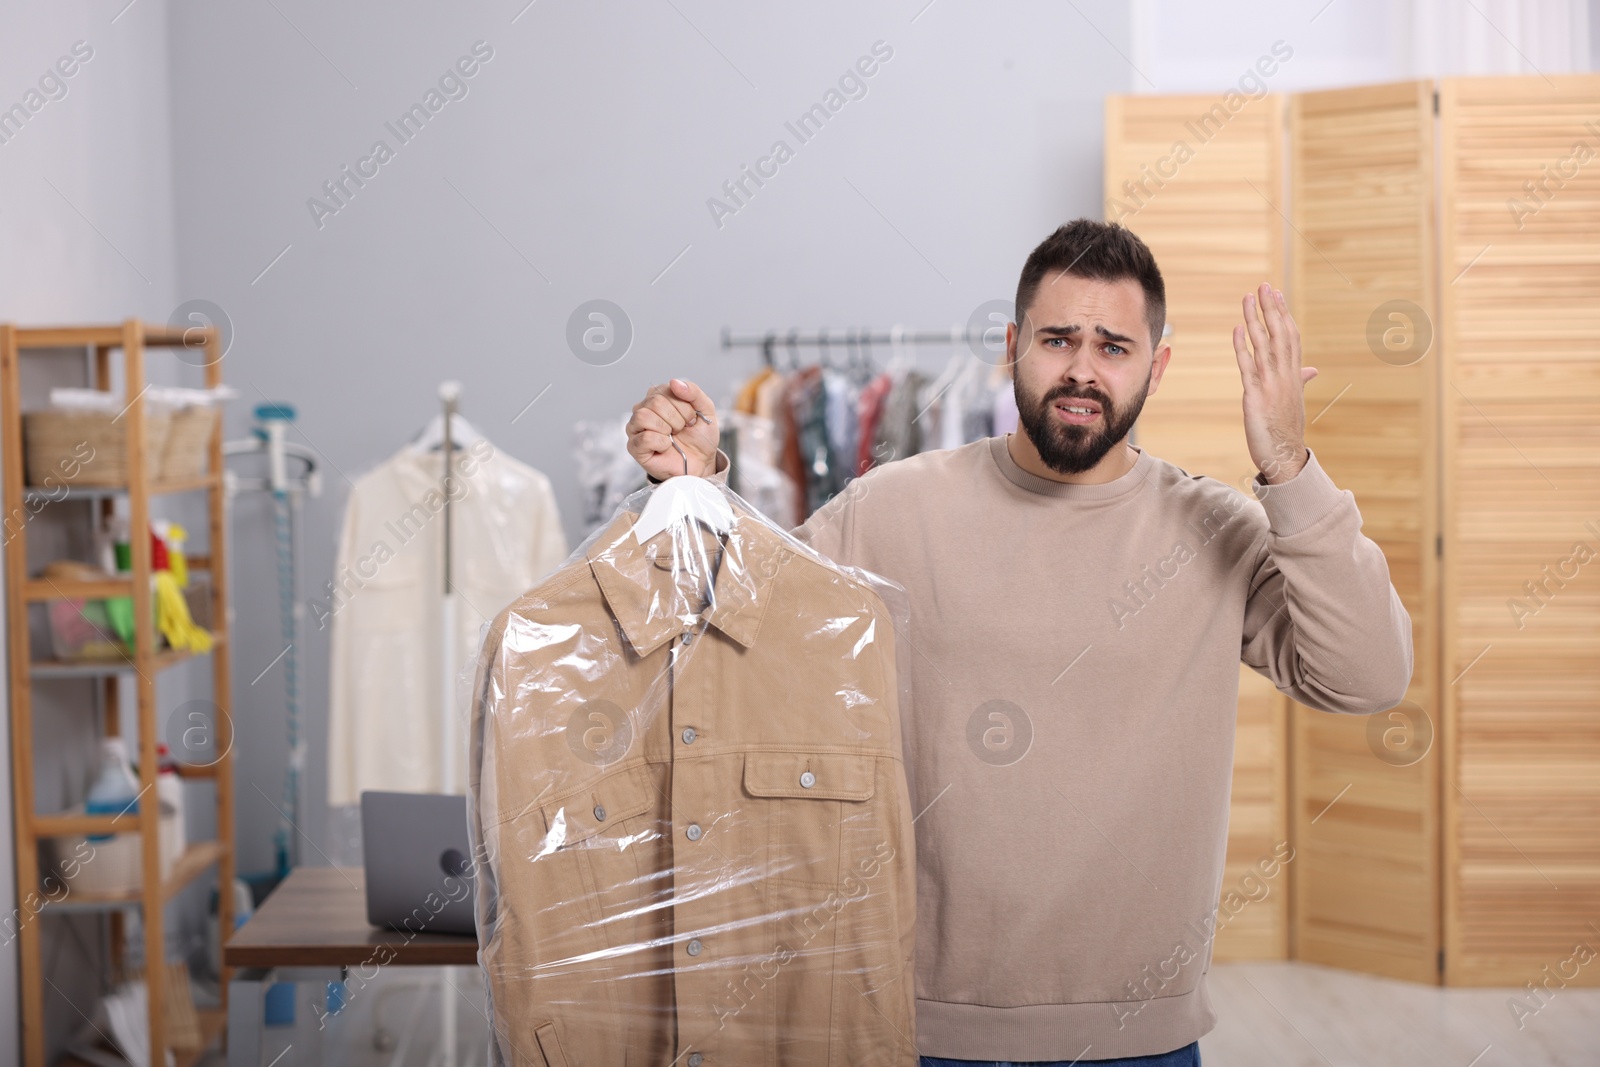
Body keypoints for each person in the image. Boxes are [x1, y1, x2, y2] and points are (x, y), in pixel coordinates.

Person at [624, 219, 1413, 1067]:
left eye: (1114, 345)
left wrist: (1291, 467)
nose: (1082, 366)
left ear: (1159, 366)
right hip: (913, 1026)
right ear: (1012, 347)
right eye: (1058, 338)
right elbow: (735, 631)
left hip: (1135, 1039)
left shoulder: (1215, 527)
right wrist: (693, 491)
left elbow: (1367, 673)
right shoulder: (892, 508)